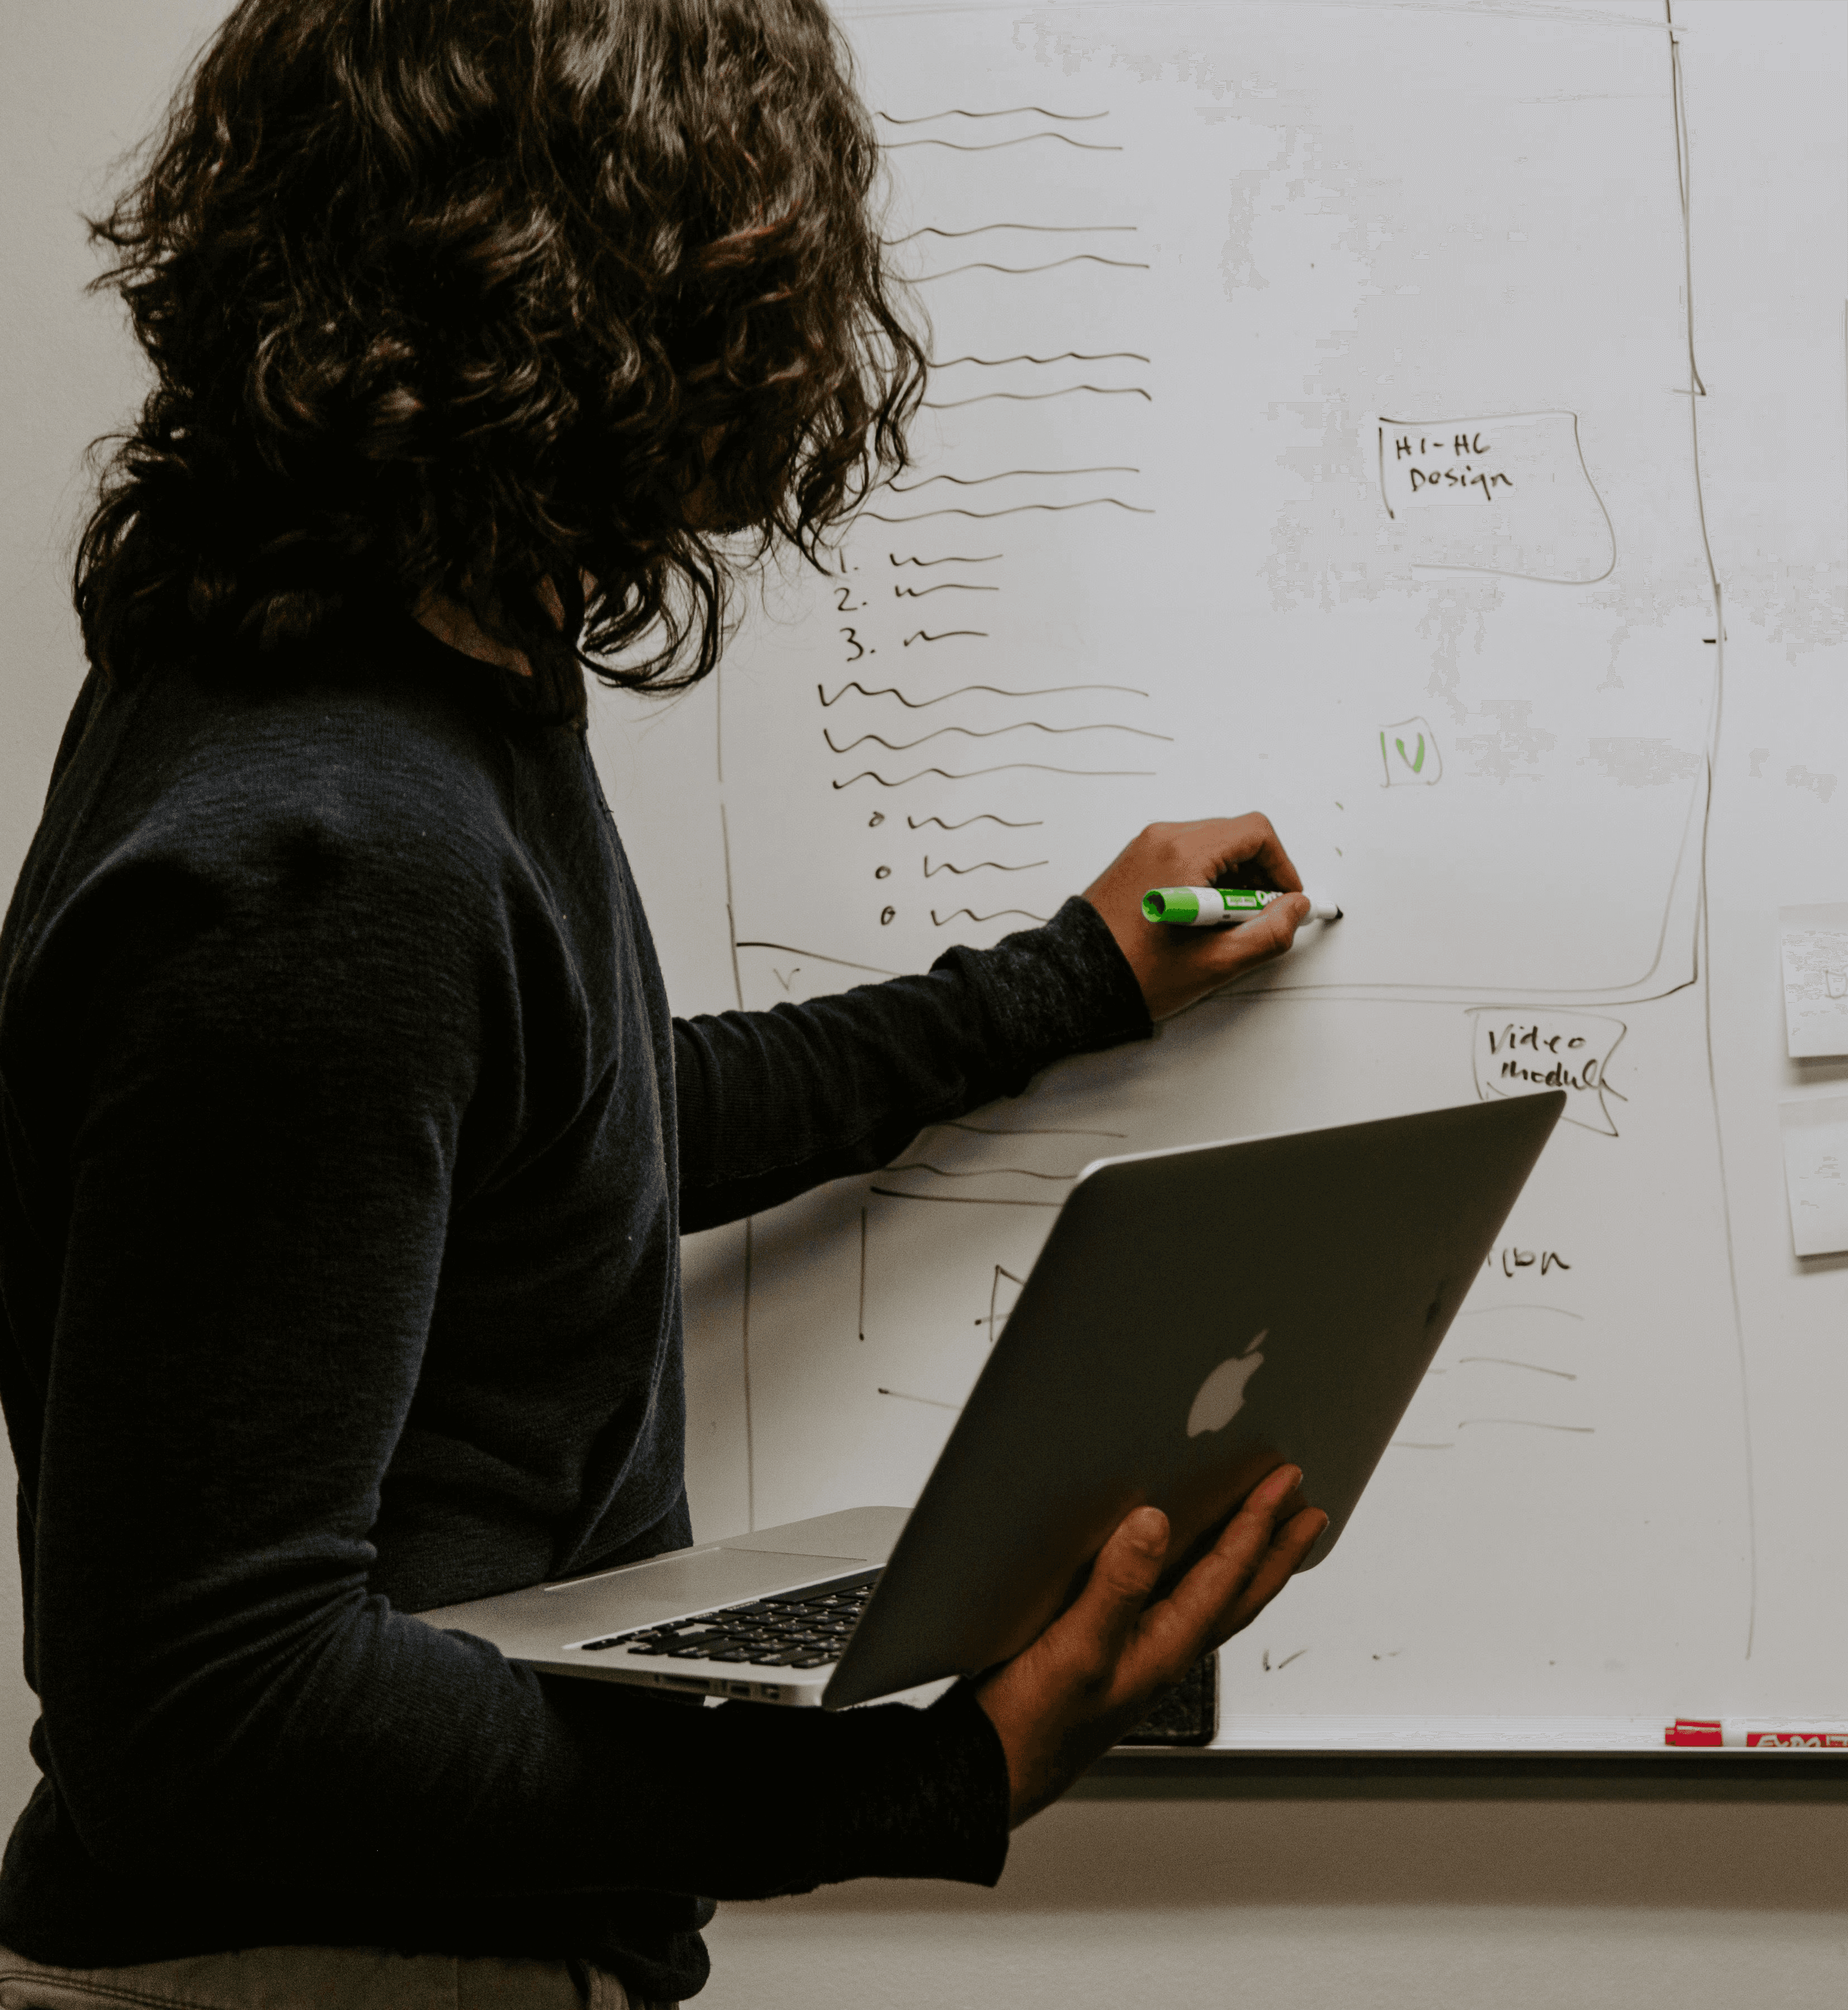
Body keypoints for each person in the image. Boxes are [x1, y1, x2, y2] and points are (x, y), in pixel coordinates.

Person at [0, 2, 1327, 2003]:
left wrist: (1068, 980)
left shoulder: (393, 690)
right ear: (640, 307)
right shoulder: (325, 847)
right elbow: (208, 1717)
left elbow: (557, 1138)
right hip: (314, 1976)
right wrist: (930, 1784)